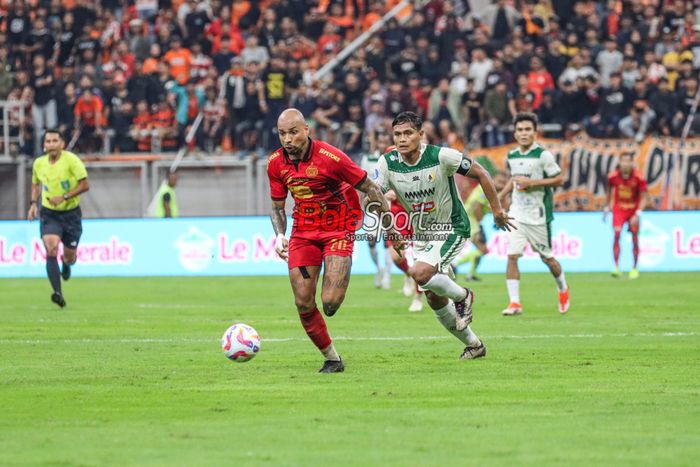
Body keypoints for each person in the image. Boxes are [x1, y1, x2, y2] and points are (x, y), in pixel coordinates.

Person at [267, 108, 402, 373]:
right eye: (282, 134)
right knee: (303, 301)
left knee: (329, 303)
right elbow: (277, 208)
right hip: (303, 232)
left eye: (293, 132)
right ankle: (332, 358)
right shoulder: (275, 163)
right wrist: (280, 235)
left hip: (339, 227)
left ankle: (339, 270)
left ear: (307, 130)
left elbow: (371, 188)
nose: (288, 139)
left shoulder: (331, 157)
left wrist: (390, 228)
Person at [375, 111, 515, 360]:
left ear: (421, 135)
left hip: (451, 226)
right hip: (421, 234)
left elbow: (481, 172)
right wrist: (390, 229)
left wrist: (497, 210)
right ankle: (474, 345)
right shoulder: (387, 163)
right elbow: (375, 197)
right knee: (433, 296)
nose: (402, 139)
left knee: (419, 273)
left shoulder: (442, 156)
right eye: (397, 134)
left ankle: (464, 296)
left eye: (408, 133)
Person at [499, 112, 569, 316]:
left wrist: (533, 183)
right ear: (515, 133)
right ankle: (514, 303)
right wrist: (500, 197)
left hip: (538, 214)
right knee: (512, 256)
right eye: (520, 129)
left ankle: (563, 288)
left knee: (547, 258)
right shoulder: (511, 155)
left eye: (528, 129)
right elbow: (514, 179)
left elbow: (560, 180)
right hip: (516, 213)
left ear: (535, 133)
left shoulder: (543, 155)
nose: (523, 133)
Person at [27, 129, 90, 308]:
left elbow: (85, 184)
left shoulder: (72, 161)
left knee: (70, 257)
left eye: (55, 141)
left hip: (70, 213)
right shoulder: (39, 163)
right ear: (44, 145)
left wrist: (64, 197)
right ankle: (57, 292)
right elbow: (35, 183)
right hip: (49, 213)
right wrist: (33, 204)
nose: (52, 144)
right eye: (48, 141)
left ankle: (66, 263)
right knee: (51, 247)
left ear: (62, 144)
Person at [454, 172, 508, 281]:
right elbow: (477, 207)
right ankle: (454, 264)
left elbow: (487, 206)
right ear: (494, 180)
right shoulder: (486, 188)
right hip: (470, 220)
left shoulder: (492, 191)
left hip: (470, 219)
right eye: (500, 182)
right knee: (483, 249)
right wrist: (481, 225)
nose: (502, 186)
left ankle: (471, 275)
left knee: (481, 250)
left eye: (504, 183)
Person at [603, 152, 648, 279]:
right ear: (620, 162)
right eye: (623, 161)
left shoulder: (639, 177)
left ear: (632, 163)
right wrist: (607, 207)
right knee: (616, 234)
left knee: (634, 237)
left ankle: (634, 268)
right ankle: (616, 267)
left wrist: (638, 213)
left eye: (628, 161)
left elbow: (644, 198)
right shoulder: (612, 176)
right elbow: (608, 192)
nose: (625, 164)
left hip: (633, 209)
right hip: (619, 209)